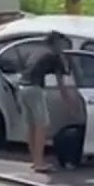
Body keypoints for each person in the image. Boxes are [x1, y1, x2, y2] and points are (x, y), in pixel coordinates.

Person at [17, 32, 75, 173]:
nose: (64, 49)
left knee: (31, 126)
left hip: (21, 88)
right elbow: (61, 85)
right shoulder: (54, 56)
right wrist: (70, 105)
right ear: (57, 43)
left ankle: (34, 160)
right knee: (42, 126)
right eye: (63, 45)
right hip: (35, 90)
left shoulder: (37, 51)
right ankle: (39, 163)